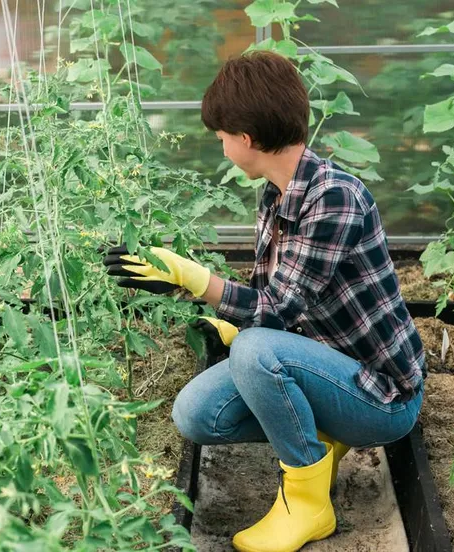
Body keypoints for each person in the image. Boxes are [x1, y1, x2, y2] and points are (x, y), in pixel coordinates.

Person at [103, 50, 424, 552]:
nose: (223, 148)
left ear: (246, 138)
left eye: (222, 138)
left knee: (256, 350)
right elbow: (271, 297)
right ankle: (323, 437)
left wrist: (197, 280)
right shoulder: (276, 195)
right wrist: (191, 291)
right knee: (196, 414)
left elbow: (275, 312)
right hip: (323, 364)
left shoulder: (334, 197)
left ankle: (308, 504)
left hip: (379, 395)